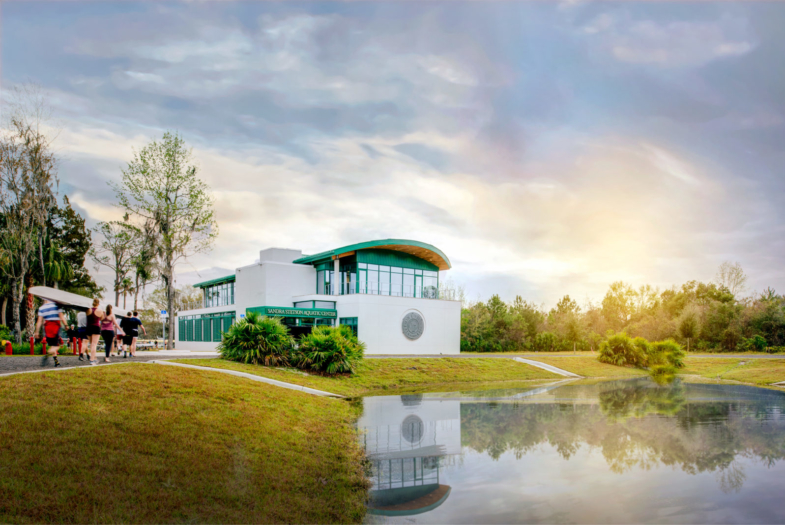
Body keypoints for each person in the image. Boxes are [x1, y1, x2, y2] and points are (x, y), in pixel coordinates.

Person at [35, 300, 68, 368]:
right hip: (55, 326)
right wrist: (66, 325)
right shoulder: (56, 305)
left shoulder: (42, 308)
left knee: (53, 345)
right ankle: (47, 354)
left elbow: (39, 321)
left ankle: (56, 362)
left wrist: (37, 331)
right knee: (57, 345)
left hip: (47, 328)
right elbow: (61, 316)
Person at [86, 299, 104, 365]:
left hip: (88, 327)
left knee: (91, 344)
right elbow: (102, 318)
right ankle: (92, 359)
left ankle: (94, 358)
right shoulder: (100, 310)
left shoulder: (88, 310)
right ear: (98, 304)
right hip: (95, 327)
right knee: (94, 344)